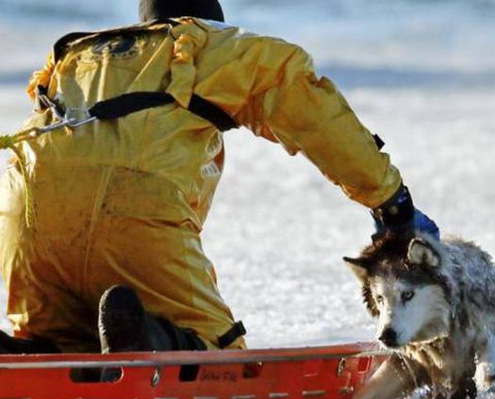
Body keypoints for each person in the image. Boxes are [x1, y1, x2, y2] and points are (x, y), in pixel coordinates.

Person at [0, 0, 438, 354]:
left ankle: (27, 352)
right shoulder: (215, 45)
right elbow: (315, 117)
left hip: (27, 220)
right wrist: (390, 199)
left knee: (64, 338)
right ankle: (156, 342)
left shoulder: (77, 55)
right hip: (134, 210)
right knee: (219, 352)